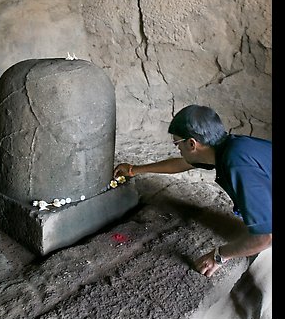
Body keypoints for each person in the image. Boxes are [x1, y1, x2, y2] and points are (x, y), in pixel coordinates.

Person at [113, 104, 272, 278]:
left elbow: (265, 237)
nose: (177, 149)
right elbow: (182, 164)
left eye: (177, 143)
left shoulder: (236, 163)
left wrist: (218, 256)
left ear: (191, 143)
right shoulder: (228, 146)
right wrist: (133, 170)